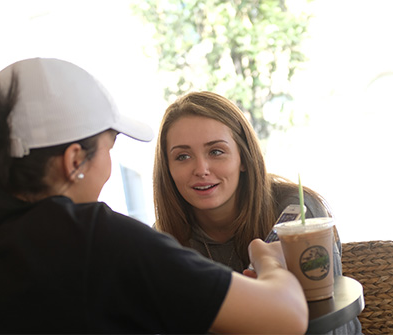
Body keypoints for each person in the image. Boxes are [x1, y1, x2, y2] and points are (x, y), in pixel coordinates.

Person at [0, 58, 308, 334]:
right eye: (109, 148)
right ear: (73, 161)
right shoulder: (92, 239)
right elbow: (286, 318)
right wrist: (270, 263)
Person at [153, 91, 362, 334]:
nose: (201, 169)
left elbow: (330, 325)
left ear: (243, 157)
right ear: (168, 169)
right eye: (183, 156)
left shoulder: (296, 212)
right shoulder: (163, 239)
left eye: (216, 151)